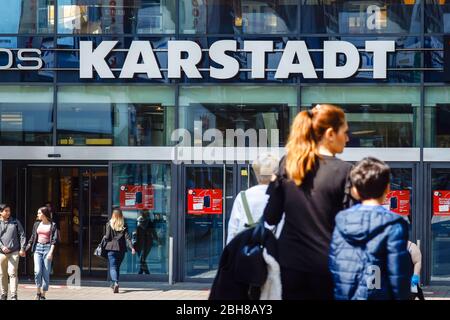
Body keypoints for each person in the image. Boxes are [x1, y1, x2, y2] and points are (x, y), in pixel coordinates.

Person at [263, 104, 352, 300]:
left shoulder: (288, 164)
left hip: (289, 263)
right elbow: (351, 227)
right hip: (328, 266)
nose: (347, 138)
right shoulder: (345, 171)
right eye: (344, 132)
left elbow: (270, 217)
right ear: (330, 134)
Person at [329, 157, 412, 300]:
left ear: (354, 190)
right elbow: (398, 274)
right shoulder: (394, 224)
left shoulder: (342, 220)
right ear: (388, 188)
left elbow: (335, 264)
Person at [227, 153, 279, 244]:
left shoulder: (243, 197)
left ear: (256, 174)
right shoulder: (282, 196)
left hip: (247, 254)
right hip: (274, 254)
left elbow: (232, 233)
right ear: (275, 174)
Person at [26, 206, 58, 300]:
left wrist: (50, 253)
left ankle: (43, 294)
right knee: (37, 271)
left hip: (48, 248)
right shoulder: (36, 224)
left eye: (39, 213)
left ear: (44, 214)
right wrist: (26, 248)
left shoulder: (53, 225)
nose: (37, 215)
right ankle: (38, 292)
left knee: (46, 272)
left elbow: (54, 240)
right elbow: (32, 238)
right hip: (38, 248)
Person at [103, 208, 136, 293]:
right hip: (121, 249)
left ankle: (115, 283)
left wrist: (105, 239)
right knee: (117, 267)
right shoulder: (124, 225)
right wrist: (132, 248)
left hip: (111, 249)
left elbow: (107, 237)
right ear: (121, 216)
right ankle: (114, 283)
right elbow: (128, 238)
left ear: (113, 215)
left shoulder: (109, 224)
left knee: (113, 267)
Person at [0, 204, 26, 300]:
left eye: (9, 211)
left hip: (14, 252)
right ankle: (3, 294)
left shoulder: (15, 222)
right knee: (2, 274)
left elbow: (22, 235)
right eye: (6, 211)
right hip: (1, 253)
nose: (8, 213)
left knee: (12, 273)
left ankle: (14, 295)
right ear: (0, 212)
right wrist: (2, 247)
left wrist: (22, 248)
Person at [133, 210, 158, 274]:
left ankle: (146, 273)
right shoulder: (143, 222)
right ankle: (141, 271)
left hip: (143, 243)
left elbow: (135, 233)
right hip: (145, 242)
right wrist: (157, 240)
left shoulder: (141, 223)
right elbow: (154, 233)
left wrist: (157, 240)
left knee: (142, 259)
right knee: (142, 258)